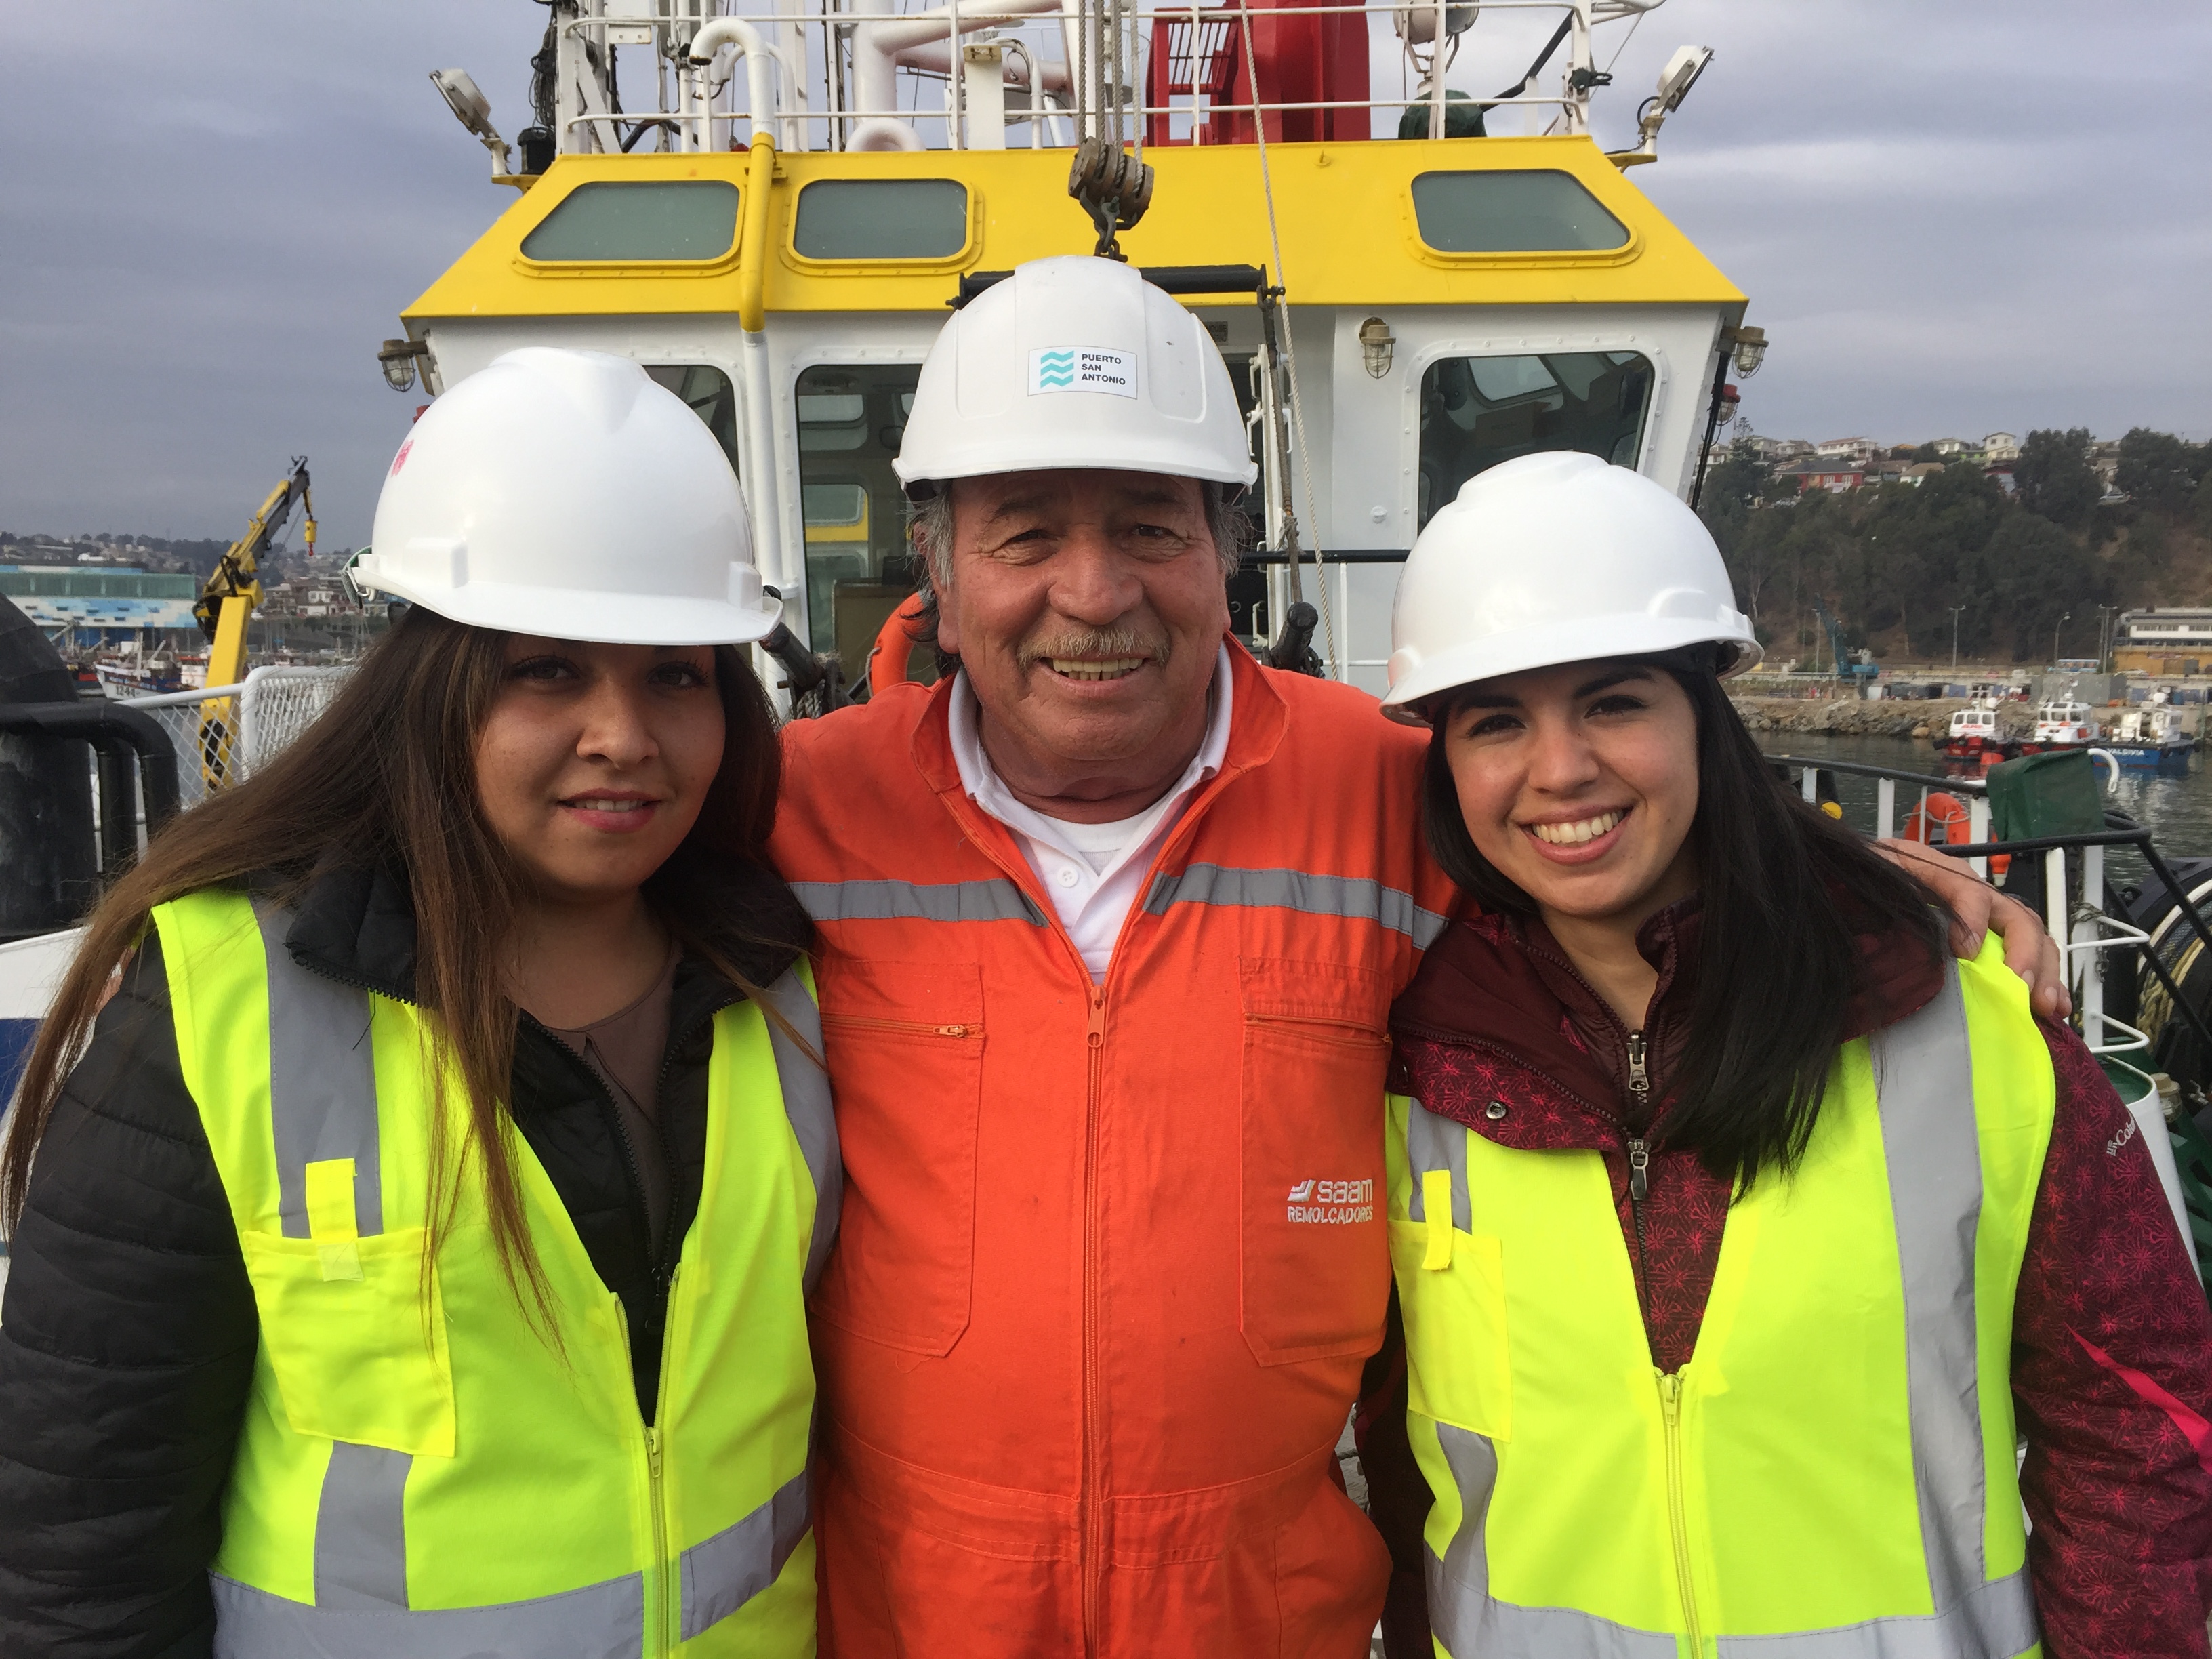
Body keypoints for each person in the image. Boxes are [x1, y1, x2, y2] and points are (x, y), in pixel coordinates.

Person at [768, 255, 2065, 1656]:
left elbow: (1605, 841)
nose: (1095, 594)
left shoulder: (1386, 788)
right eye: (1024, 536)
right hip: (914, 1615)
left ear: (1225, 558)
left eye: (1152, 528)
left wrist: (1854, 874)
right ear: (942, 576)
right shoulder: (794, 811)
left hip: (1264, 1617)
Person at [0, 349, 833, 1657]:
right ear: (428, 686)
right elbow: (81, 1547)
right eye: (547, 670)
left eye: (677, 673)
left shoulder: (773, 977)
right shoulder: (221, 1000)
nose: (624, 734)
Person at [1366, 450, 2212, 1657]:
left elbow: (2135, 1425)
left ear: (1706, 718)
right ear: (1442, 762)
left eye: (1614, 701)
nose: (1560, 771)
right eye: (1497, 720)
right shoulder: (1415, 1068)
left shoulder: (1971, 1035)